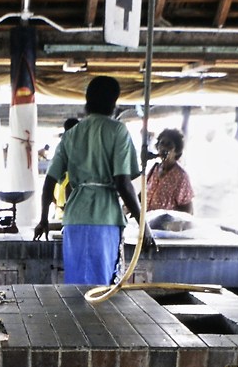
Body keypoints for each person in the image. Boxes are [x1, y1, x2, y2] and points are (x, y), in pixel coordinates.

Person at [33, 76, 154, 285]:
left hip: (74, 219)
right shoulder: (118, 131)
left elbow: (49, 181)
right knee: (100, 288)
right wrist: (144, 225)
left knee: (77, 286)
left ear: (87, 101)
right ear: (114, 103)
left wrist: (43, 219)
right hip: (104, 218)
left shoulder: (71, 135)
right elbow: (123, 183)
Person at [145, 129, 194, 213]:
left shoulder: (181, 176)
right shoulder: (154, 169)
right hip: (147, 222)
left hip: (165, 224)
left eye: (169, 145)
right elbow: (143, 194)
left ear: (176, 151)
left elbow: (187, 210)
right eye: (162, 143)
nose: (164, 148)